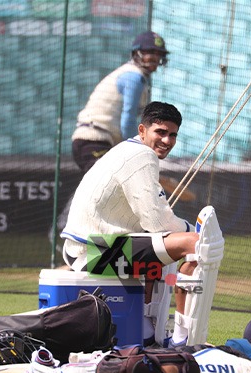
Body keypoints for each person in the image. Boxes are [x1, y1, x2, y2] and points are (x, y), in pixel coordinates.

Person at [61, 101, 201, 347]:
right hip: (93, 252)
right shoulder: (142, 156)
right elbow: (157, 221)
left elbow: (151, 221)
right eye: (160, 132)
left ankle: (147, 328)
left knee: (163, 266)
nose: (167, 140)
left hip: (88, 249)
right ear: (142, 130)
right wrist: (193, 230)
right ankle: (183, 336)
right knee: (195, 244)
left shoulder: (129, 151)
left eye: (173, 135)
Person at [71, 31, 169, 173]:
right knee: (108, 186)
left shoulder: (134, 75)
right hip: (93, 142)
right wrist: (135, 151)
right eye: (150, 51)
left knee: (110, 191)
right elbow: (128, 119)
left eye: (158, 53)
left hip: (95, 142)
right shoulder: (134, 77)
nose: (155, 57)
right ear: (137, 53)